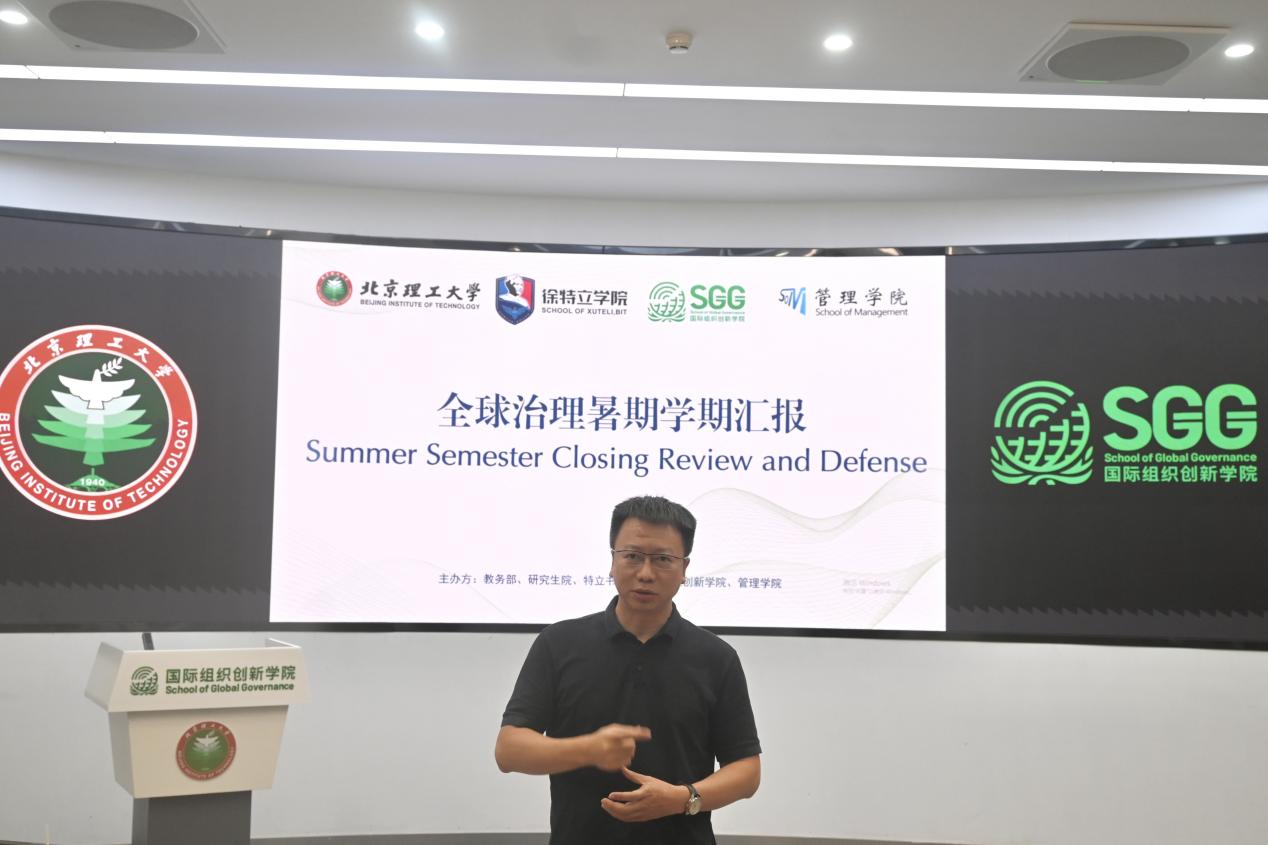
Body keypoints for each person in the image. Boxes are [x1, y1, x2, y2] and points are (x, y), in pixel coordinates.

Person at [495, 495, 762, 844]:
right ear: (612, 561)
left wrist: (682, 799)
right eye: (632, 556)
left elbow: (746, 771)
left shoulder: (716, 657)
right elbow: (509, 750)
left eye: (662, 559)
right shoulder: (558, 643)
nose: (645, 573)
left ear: (684, 569)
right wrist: (588, 749)